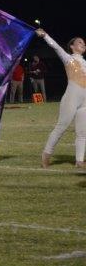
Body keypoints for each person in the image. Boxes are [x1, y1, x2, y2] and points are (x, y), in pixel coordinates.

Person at [36, 29, 86, 168]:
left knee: (83, 132)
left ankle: (79, 161)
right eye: (80, 42)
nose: (83, 44)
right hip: (72, 97)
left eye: (84, 43)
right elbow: (56, 47)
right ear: (72, 46)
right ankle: (46, 154)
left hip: (85, 100)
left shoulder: (85, 63)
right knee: (61, 127)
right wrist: (45, 35)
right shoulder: (68, 58)